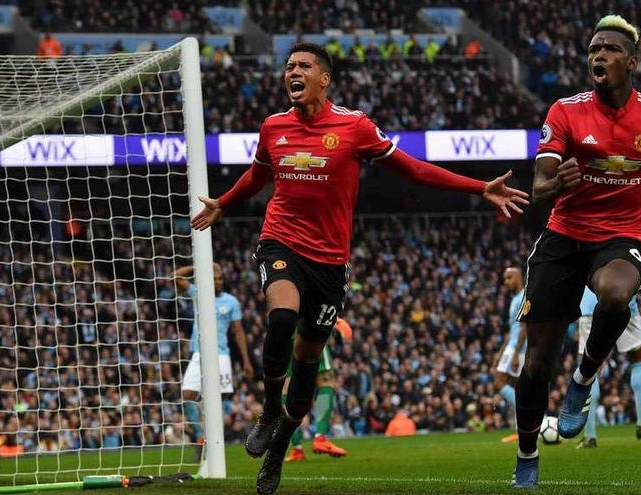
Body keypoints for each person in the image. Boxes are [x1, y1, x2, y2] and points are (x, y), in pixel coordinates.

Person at [191, 42, 528, 495]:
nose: (293, 71)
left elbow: (412, 169)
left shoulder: (354, 127)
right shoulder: (273, 127)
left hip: (330, 261)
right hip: (282, 240)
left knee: (309, 362)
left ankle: (278, 451)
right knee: (282, 318)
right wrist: (223, 206)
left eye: (303, 66)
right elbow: (258, 176)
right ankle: (270, 408)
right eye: (289, 66)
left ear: (323, 78)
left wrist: (478, 186)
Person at [512, 15, 641, 488]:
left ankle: (584, 379)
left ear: (632, 61)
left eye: (608, 49)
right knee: (536, 362)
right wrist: (555, 182)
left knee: (613, 296)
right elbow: (540, 185)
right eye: (592, 50)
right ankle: (527, 456)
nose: (597, 56)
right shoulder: (565, 111)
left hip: (620, 235)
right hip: (564, 235)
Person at [576, 272, 641, 448]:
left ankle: (590, 435)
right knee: (638, 359)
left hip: (589, 308)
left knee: (588, 369)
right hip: (624, 304)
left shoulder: (588, 242)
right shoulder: (630, 242)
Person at [174, 263, 254, 460]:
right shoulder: (198, 293)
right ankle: (202, 438)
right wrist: (198, 265)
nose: (218, 282)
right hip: (199, 353)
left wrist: (246, 360)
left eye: (220, 279)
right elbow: (175, 277)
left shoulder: (231, 302)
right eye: (214, 279)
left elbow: (238, 331)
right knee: (187, 395)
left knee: (218, 400)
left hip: (221, 355)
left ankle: (216, 442)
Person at [284, 318, 353, 462]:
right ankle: (320, 437)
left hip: (284, 332)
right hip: (309, 328)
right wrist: (334, 319)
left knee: (285, 392)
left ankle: (297, 449)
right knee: (326, 381)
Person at [494, 267, 526, 443]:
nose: (505, 282)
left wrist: (515, 353)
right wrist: (500, 352)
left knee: (499, 381)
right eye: (504, 278)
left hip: (518, 348)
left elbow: (525, 327)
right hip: (512, 346)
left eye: (509, 278)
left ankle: (525, 419)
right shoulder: (514, 299)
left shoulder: (524, 296)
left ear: (518, 277)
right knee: (515, 387)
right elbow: (511, 329)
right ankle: (521, 429)